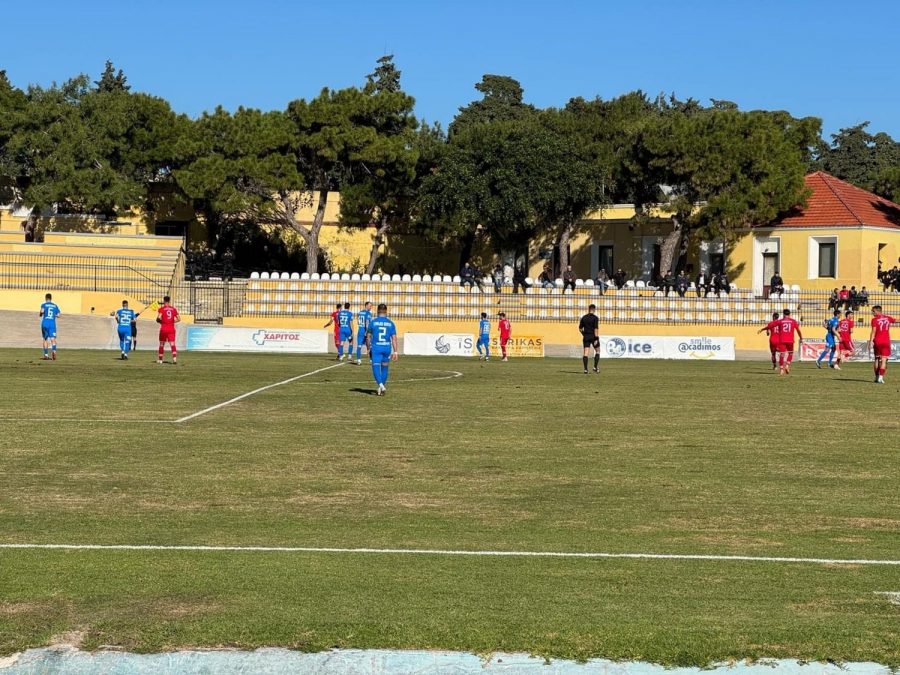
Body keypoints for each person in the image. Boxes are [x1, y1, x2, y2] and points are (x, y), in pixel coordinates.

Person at [366, 303, 398, 396]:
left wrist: (368, 348)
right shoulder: (390, 323)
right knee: (385, 367)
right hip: (387, 347)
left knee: (375, 366)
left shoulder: (373, 322)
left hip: (376, 348)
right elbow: (394, 338)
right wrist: (395, 351)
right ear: (386, 311)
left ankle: (381, 386)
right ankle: (381, 388)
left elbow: (368, 337)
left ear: (377, 311)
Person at [868, 305, 896, 384]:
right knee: (884, 360)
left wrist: (870, 341)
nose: (872, 313)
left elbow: (873, 331)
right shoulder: (888, 318)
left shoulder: (874, 320)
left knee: (877, 359)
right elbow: (897, 320)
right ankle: (881, 378)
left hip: (877, 341)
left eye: (873, 311)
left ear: (878, 311)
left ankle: (877, 377)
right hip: (886, 342)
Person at [156, 295, 180, 365]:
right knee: (172, 344)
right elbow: (179, 319)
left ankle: (160, 360)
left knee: (161, 344)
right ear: (169, 301)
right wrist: (172, 322)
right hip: (171, 329)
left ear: (164, 301)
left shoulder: (162, 309)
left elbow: (158, 318)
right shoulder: (173, 309)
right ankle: (174, 359)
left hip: (164, 329)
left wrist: (160, 321)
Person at [578, 303, 601, 374]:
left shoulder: (584, 317)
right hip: (593, 337)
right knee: (597, 351)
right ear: (594, 309)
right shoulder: (595, 318)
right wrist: (596, 338)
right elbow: (596, 329)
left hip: (586, 337)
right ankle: (595, 367)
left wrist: (584, 334)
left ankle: (585, 369)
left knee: (586, 353)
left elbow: (580, 328)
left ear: (589, 309)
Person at [39, 293, 60, 360]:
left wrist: (40, 314)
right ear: (51, 298)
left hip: (45, 323)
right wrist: (54, 315)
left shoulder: (44, 305)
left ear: (46, 298)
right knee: (53, 339)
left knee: (45, 339)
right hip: (52, 323)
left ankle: (46, 355)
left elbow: (42, 311)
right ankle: (54, 351)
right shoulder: (55, 305)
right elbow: (58, 315)